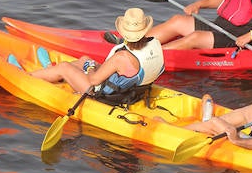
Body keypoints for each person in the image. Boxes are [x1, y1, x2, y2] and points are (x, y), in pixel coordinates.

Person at [27, 7, 164, 103]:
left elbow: (93, 81)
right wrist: (88, 63)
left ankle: (29, 77)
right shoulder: (155, 44)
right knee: (84, 59)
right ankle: (51, 72)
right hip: (133, 90)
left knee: (65, 67)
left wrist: (90, 68)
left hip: (105, 95)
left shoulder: (121, 57)